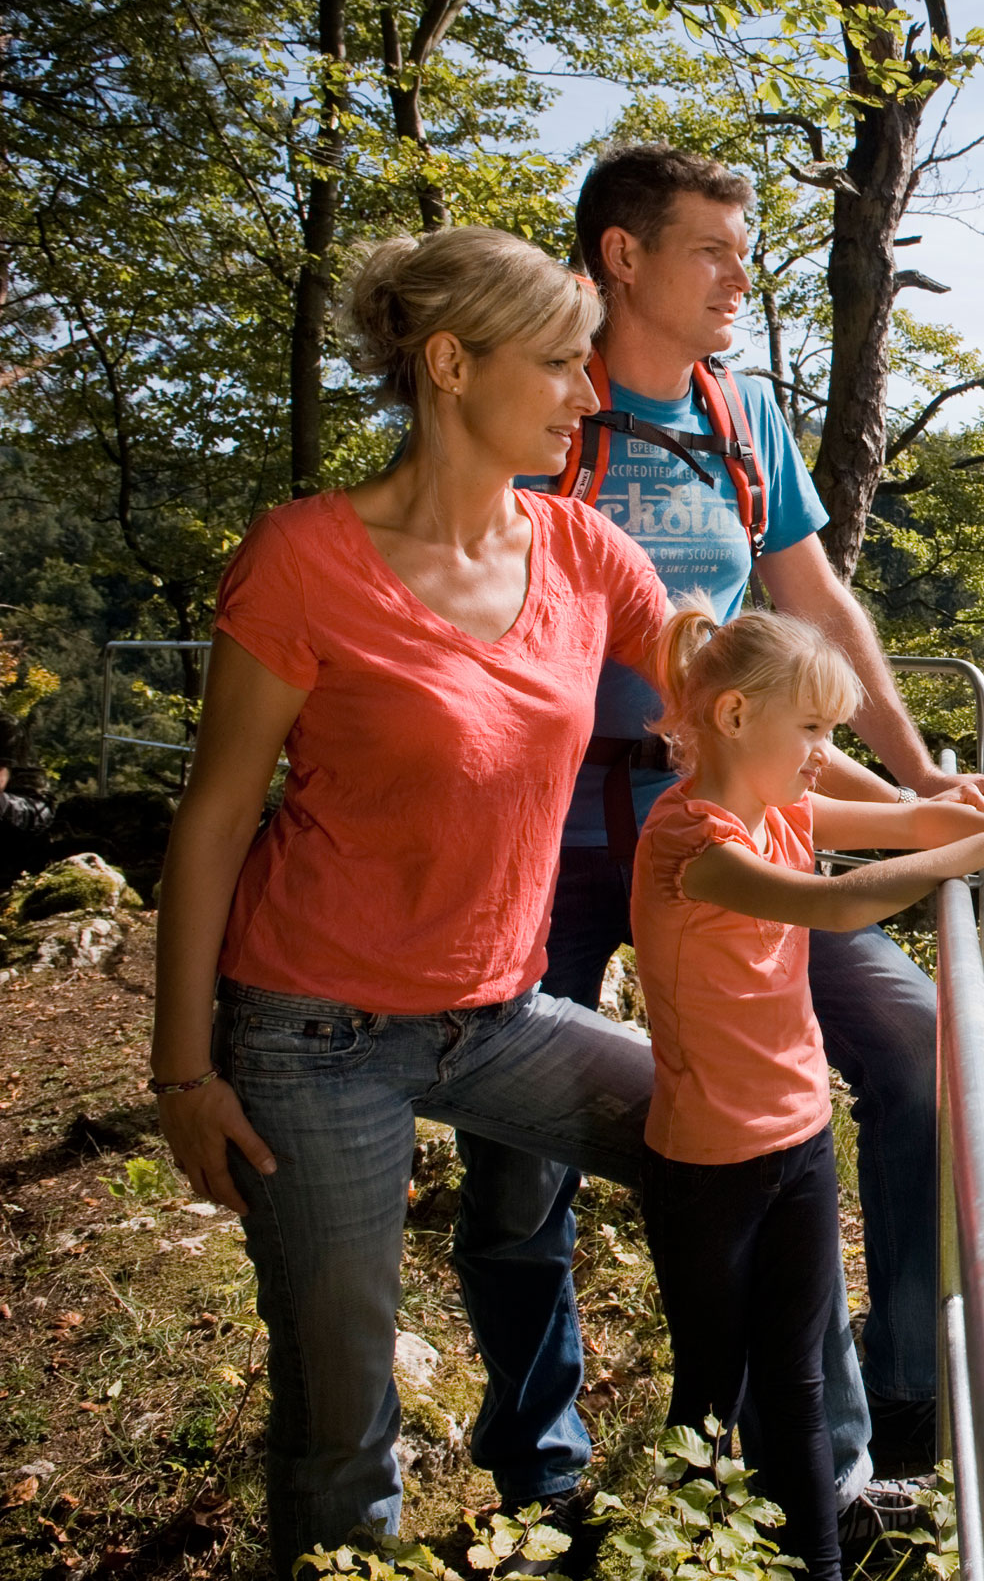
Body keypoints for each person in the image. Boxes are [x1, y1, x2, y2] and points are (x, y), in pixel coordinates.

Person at [146, 227, 675, 1567]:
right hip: (309, 1033)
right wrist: (182, 1073)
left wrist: (922, 804)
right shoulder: (304, 557)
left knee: (739, 1146)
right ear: (451, 364)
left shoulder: (585, 552)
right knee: (344, 1421)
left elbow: (739, 700)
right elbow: (214, 819)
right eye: (559, 362)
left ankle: (760, 1487)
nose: (587, 394)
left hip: (503, 1014)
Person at [485, 143, 984, 1518]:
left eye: (745, 248)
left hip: (737, 821)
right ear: (621, 257)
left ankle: (889, 1424)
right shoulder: (533, 401)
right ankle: (544, 1480)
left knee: (915, 1050)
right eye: (713, 248)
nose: (739, 275)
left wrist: (913, 772)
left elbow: (818, 605)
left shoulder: (739, 413)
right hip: (547, 836)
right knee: (519, 1158)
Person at [631, 598, 984, 1580]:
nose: (821, 754)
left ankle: (818, 1567)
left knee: (793, 1376)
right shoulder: (692, 841)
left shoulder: (782, 806)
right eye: (813, 730)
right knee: (712, 1383)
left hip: (796, 1139)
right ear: (737, 716)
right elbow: (837, 903)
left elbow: (905, 818)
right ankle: (673, 1558)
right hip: (708, 1164)